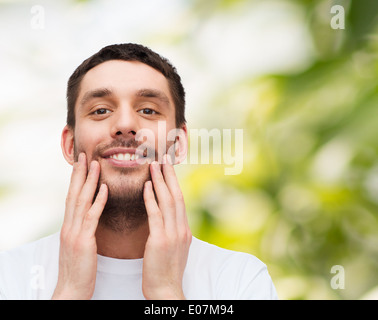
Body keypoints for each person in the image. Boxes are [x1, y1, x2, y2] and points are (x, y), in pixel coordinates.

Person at [0, 43, 277, 300]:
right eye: (99, 110)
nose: (124, 124)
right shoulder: (9, 277)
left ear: (178, 144)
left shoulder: (240, 280)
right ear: (70, 144)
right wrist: (70, 290)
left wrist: (166, 291)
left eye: (147, 109)